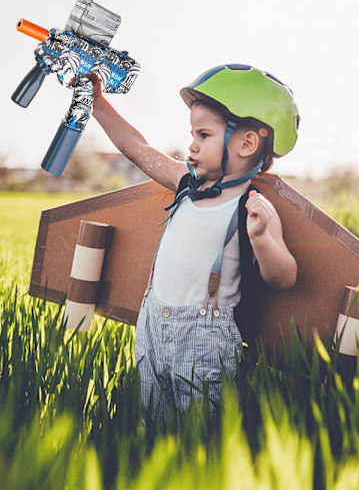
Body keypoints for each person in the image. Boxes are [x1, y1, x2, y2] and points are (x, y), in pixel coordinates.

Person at [86, 63, 300, 424]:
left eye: (204, 135)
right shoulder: (186, 182)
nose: (192, 144)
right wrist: (98, 103)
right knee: (151, 420)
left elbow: (285, 277)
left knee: (198, 432)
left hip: (205, 339)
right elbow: (137, 148)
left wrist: (261, 238)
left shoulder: (251, 207)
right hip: (153, 322)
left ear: (246, 143)